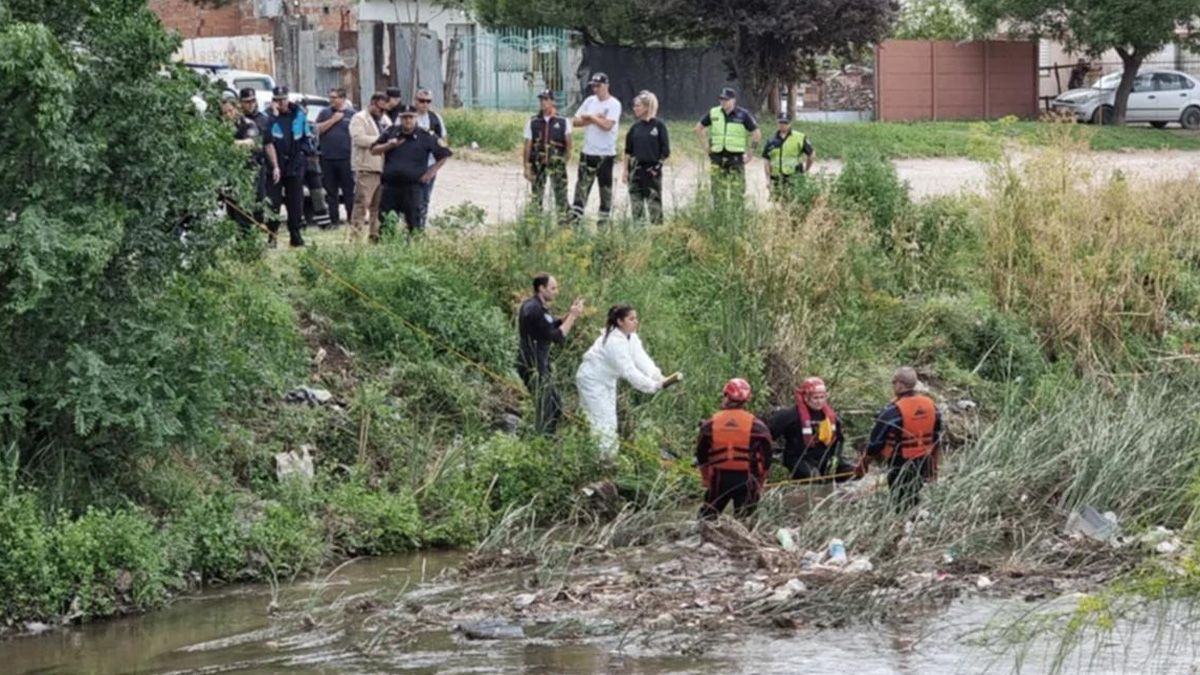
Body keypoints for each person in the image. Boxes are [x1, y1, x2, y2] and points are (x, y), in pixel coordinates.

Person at [576, 305, 669, 460]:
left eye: (636, 318)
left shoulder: (631, 337)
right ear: (620, 321)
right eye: (631, 319)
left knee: (610, 421)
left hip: (607, 381)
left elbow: (642, 359)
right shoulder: (613, 342)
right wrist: (652, 386)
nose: (636, 322)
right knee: (601, 421)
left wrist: (659, 377)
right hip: (592, 381)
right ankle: (603, 461)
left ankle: (605, 458)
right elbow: (629, 371)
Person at [862, 367, 943, 511]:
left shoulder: (892, 411)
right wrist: (933, 468)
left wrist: (863, 465)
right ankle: (912, 520)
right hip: (923, 460)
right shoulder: (931, 406)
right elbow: (936, 438)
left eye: (894, 382)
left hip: (900, 462)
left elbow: (875, 444)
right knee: (914, 494)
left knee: (898, 499)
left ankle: (900, 524)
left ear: (900, 385)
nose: (893, 386)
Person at [516, 274, 585, 434]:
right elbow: (557, 336)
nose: (556, 292)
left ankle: (547, 440)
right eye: (553, 288)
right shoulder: (534, 309)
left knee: (555, 405)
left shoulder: (536, 306)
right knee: (545, 409)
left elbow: (553, 324)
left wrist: (570, 313)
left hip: (540, 365)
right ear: (541, 288)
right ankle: (540, 442)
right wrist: (573, 317)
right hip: (532, 365)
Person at [696, 378, 774, 519]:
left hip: (719, 479)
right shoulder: (757, 426)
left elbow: (701, 453)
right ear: (746, 400)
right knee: (744, 523)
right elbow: (767, 456)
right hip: (747, 479)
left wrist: (706, 478)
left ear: (726, 396)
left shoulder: (710, 424)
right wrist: (761, 481)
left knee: (707, 519)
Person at [370, 105, 452, 234]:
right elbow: (373, 150)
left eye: (410, 117)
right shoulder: (391, 131)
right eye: (404, 117)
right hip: (391, 186)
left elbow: (445, 154)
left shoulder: (426, 135)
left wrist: (431, 172)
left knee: (414, 222)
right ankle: (387, 247)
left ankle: (413, 248)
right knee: (386, 222)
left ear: (416, 118)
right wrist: (389, 145)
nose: (407, 121)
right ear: (400, 118)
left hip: (413, 187)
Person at [765, 377, 856, 483]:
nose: (819, 402)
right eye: (816, 398)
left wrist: (836, 457)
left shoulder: (830, 417)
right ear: (806, 398)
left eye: (822, 398)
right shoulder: (789, 415)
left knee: (854, 473)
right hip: (799, 459)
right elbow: (767, 434)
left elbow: (839, 439)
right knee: (814, 478)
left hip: (825, 458)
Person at [264, 86, 315, 247]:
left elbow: (307, 136)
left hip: (295, 162)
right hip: (275, 164)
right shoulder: (268, 116)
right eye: (277, 100)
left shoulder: (298, 114)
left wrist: (304, 153)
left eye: (283, 99)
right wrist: (273, 115)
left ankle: (296, 235)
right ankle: (272, 236)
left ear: (288, 98)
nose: (281, 103)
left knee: (296, 202)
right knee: (274, 202)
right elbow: (266, 138)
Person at [570, 72, 621, 224]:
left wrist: (591, 117)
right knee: (582, 186)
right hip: (588, 152)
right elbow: (576, 121)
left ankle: (603, 222)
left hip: (605, 154)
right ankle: (576, 219)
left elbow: (607, 125)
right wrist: (595, 119)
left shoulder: (614, 104)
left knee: (605, 189)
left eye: (598, 86)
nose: (595, 89)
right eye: (593, 86)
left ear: (606, 86)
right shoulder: (589, 101)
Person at [694, 87, 760, 205]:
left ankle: (737, 218)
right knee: (718, 191)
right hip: (717, 157)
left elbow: (756, 134)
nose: (723, 102)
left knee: (737, 191)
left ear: (733, 100)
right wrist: (706, 147)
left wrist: (750, 154)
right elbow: (698, 128)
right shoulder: (714, 112)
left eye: (726, 99)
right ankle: (719, 218)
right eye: (721, 99)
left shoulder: (743, 114)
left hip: (735, 158)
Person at [225, 88, 271, 231]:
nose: (228, 115)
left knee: (245, 210)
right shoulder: (222, 126)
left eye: (230, 111)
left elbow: (251, 142)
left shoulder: (247, 123)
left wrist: (227, 144)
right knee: (232, 211)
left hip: (249, 172)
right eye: (224, 112)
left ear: (236, 109)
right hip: (231, 173)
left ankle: (248, 242)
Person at [523, 89, 572, 222]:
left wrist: (563, 161)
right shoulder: (533, 121)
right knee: (537, 194)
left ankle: (564, 222)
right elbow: (528, 144)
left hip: (557, 163)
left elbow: (569, 145)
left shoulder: (563, 121)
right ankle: (535, 221)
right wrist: (527, 166)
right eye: (541, 100)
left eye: (546, 99)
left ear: (553, 101)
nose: (543, 102)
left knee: (561, 193)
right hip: (538, 163)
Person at [622, 90, 670, 224]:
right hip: (636, 169)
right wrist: (625, 171)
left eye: (638, 105)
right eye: (634, 106)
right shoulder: (634, 128)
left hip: (651, 170)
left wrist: (657, 167)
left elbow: (665, 151)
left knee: (653, 204)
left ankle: (657, 232)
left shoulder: (659, 126)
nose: (635, 108)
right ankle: (639, 233)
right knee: (636, 205)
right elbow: (627, 151)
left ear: (647, 107)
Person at [349, 91, 391, 242]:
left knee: (378, 206)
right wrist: (382, 140)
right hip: (366, 167)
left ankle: (375, 236)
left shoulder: (385, 119)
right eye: (380, 108)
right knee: (362, 204)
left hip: (382, 168)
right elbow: (359, 139)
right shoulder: (359, 118)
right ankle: (356, 237)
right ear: (372, 104)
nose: (382, 112)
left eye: (385, 109)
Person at [314, 88, 356, 228]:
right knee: (331, 192)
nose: (332, 100)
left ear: (343, 98)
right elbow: (317, 130)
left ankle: (352, 219)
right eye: (330, 97)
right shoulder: (325, 113)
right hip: (328, 158)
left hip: (346, 158)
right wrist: (333, 120)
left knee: (349, 191)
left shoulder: (352, 114)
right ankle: (334, 221)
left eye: (335, 97)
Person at [413, 89, 447, 227]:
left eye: (428, 101)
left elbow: (444, 142)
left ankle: (420, 227)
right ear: (415, 101)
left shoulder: (435, 118)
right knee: (409, 197)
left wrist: (434, 169)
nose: (424, 104)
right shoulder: (407, 116)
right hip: (410, 165)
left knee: (425, 198)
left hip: (429, 165)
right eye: (421, 101)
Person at [762, 113, 814, 201]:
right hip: (777, 177)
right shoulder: (771, 140)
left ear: (790, 124)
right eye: (781, 122)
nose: (783, 125)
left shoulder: (800, 137)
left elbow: (812, 155)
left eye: (785, 123)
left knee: (795, 201)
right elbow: (766, 159)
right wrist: (767, 179)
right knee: (778, 202)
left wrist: (806, 170)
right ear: (777, 123)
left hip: (794, 176)